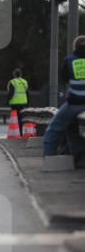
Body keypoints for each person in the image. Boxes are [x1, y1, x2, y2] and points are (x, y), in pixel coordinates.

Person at [43, 35, 85, 163]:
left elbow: (64, 78)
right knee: (71, 127)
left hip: (74, 103)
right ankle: (77, 154)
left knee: (52, 130)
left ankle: (49, 160)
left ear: (75, 47)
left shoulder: (70, 60)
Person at [7, 67, 29, 135]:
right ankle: (20, 132)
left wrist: (7, 100)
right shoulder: (24, 82)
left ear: (14, 74)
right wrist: (28, 103)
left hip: (14, 103)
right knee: (20, 118)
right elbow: (28, 93)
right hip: (23, 103)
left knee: (14, 119)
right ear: (20, 74)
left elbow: (11, 93)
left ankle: (15, 133)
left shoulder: (12, 82)